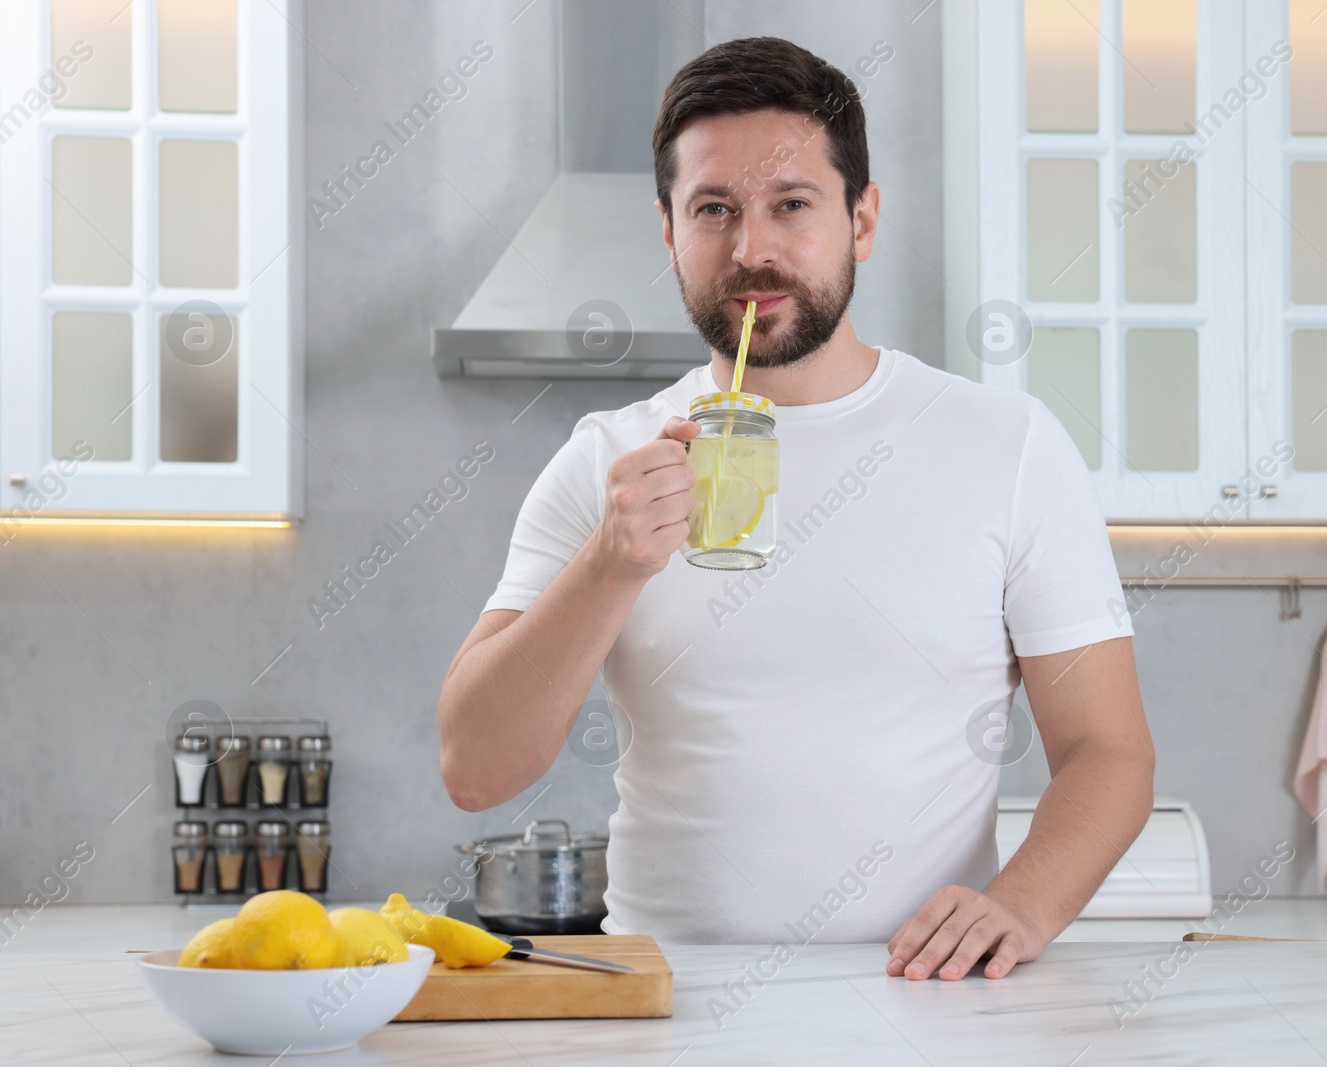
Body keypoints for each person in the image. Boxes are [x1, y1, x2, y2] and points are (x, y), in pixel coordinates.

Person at [439, 36, 1154, 982]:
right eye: (714, 210)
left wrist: (1019, 906)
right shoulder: (606, 462)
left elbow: (1109, 751)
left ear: (862, 218)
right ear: (668, 230)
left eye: (791, 205)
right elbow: (476, 766)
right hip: (668, 1005)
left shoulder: (1005, 446)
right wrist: (610, 564)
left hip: (927, 1006)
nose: (751, 250)